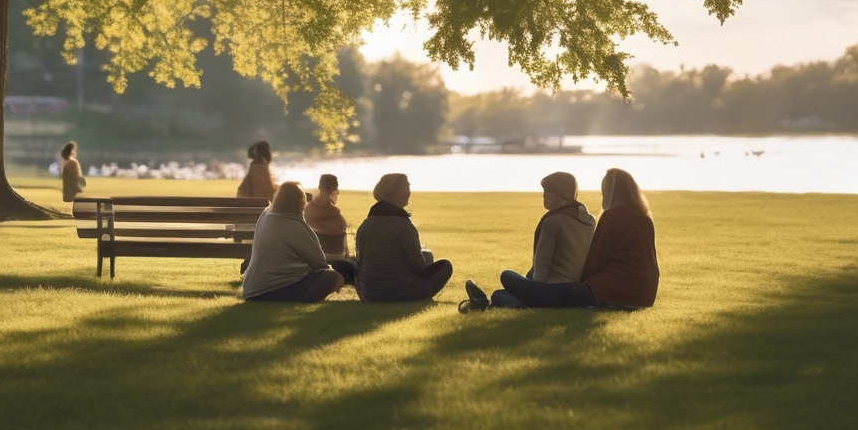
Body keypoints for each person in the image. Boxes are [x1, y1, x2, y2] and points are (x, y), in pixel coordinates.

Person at [463, 168, 658, 311]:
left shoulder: (613, 216)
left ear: (613, 192)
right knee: (521, 295)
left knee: (508, 278)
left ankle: (495, 299)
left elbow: (597, 257)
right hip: (645, 295)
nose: (602, 197)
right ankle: (499, 298)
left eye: (604, 192)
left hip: (609, 290)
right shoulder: (644, 218)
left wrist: (579, 284)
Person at [467, 172, 595, 311]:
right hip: (577, 289)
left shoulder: (552, 222)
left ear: (554, 196)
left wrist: (533, 292)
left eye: (545, 192)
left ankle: (501, 301)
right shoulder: (589, 220)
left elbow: (541, 264)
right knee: (522, 279)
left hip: (553, 289)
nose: (544, 196)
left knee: (505, 278)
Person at [355, 173, 452, 302]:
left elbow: (361, 263)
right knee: (445, 266)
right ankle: (421, 296)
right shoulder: (403, 225)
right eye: (404, 196)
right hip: (399, 292)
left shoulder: (365, 225)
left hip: (368, 294)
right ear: (392, 196)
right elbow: (420, 268)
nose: (406, 202)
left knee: (426, 254)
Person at [243, 182, 345, 303]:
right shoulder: (298, 227)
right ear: (302, 203)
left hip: (251, 290)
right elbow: (320, 265)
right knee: (333, 277)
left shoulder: (266, 215)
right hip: (273, 291)